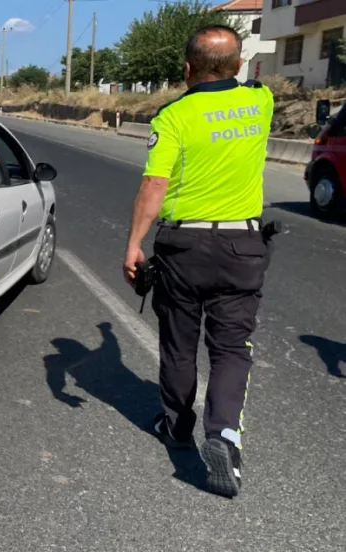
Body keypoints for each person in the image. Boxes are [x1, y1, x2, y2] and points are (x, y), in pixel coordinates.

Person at [122, 24, 274, 498]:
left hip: (184, 248)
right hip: (242, 246)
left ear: (187, 69)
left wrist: (133, 243)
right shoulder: (261, 102)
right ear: (239, 66)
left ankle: (177, 427)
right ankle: (225, 434)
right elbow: (251, 82)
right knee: (232, 348)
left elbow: (154, 185)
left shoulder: (173, 116)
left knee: (179, 343)